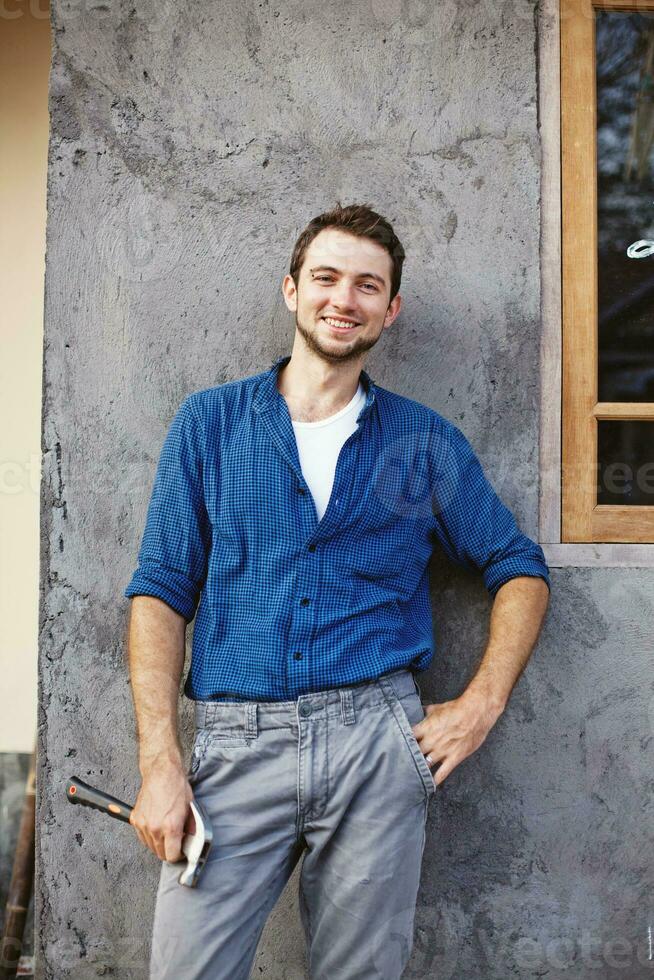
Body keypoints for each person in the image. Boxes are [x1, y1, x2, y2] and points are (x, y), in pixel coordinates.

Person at [124, 202, 550, 980]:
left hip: (375, 745)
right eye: (325, 277)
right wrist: (161, 760)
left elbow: (518, 567)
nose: (342, 300)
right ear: (291, 289)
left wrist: (481, 703)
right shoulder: (209, 425)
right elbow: (159, 592)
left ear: (391, 309)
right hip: (233, 744)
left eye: (366, 286)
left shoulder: (424, 442)